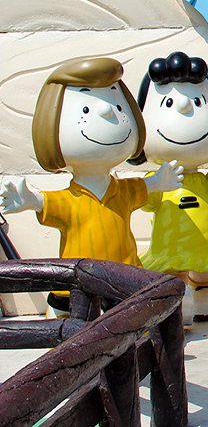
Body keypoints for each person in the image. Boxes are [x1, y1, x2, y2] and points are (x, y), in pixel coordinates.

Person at [0, 57, 182, 314]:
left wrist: (159, 182)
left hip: (125, 278)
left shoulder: (123, 191)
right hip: (78, 284)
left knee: (130, 321)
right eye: (85, 109)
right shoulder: (70, 200)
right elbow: (47, 202)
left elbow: (145, 186)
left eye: (117, 106)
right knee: (75, 323)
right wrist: (30, 200)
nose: (107, 112)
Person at [130, 52, 208, 324]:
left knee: (204, 271)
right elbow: (147, 203)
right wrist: (152, 185)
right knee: (173, 273)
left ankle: (202, 291)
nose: (184, 106)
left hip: (204, 244)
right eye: (168, 103)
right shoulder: (159, 178)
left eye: (199, 102)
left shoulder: (206, 179)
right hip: (169, 245)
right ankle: (178, 299)